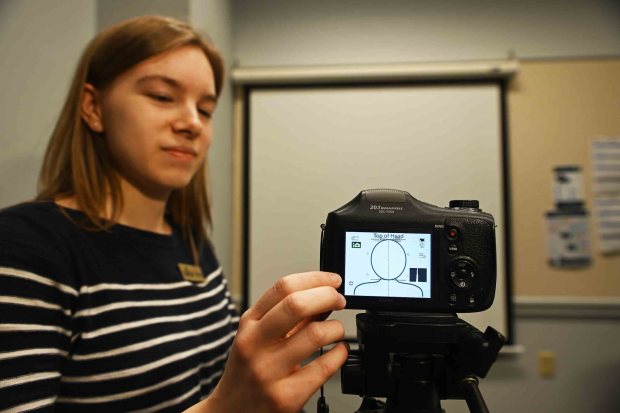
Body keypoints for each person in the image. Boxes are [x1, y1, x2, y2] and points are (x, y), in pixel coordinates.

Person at [0, 15, 348, 413]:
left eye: (205, 108)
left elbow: (218, 380)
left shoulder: (191, 244)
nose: (192, 124)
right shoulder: (23, 249)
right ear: (93, 107)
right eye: (163, 97)